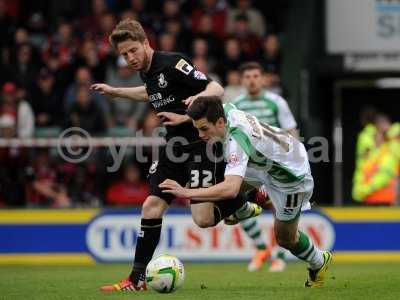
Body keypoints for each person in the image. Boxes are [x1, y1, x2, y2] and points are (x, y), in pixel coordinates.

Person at [91, 19, 261, 292]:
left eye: (134, 50)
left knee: (203, 219)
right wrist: (116, 92)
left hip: (202, 144)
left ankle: (243, 200)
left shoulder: (173, 62)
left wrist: (199, 99)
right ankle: (136, 280)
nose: (130, 58)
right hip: (174, 147)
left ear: (146, 43)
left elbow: (216, 88)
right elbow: (152, 92)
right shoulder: (146, 72)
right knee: (151, 206)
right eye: (124, 55)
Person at [160, 97, 333, 288]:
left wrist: (185, 192)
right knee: (222, 185)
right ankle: (244, 207)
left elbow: (231, 189)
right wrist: (183, 117)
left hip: (291, 178)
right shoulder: (226, 111)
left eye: (204, 129)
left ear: (219, 122)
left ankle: (319, 261)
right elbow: (218, 100)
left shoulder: (236, 141)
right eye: (198, 128)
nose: (201, 135)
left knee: (285, 238)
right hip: (265, 162)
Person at [234, 62, 298, 272]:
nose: (252, 80)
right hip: (250, 166)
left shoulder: (276, 102)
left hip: (275, 165)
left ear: (263, 79)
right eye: (248, 77)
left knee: (281, 210)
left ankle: (279, 256)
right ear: (242, 81)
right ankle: (262, 248)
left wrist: (293, 159)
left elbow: (291, 132)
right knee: (234, 202)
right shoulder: (237, 104)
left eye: (255, 76)